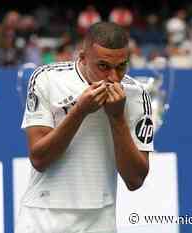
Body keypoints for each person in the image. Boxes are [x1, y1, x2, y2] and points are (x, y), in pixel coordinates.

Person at [16, 21, 154, 233]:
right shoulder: (46, 78)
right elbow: (39, 159)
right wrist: (80, 111)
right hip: (42, 216)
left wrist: (117, 117)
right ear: (82, 57)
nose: (113, 77)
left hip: (99, 219)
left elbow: (135, 180)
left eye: (121, 67)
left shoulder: (137, 94)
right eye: (103, 66)